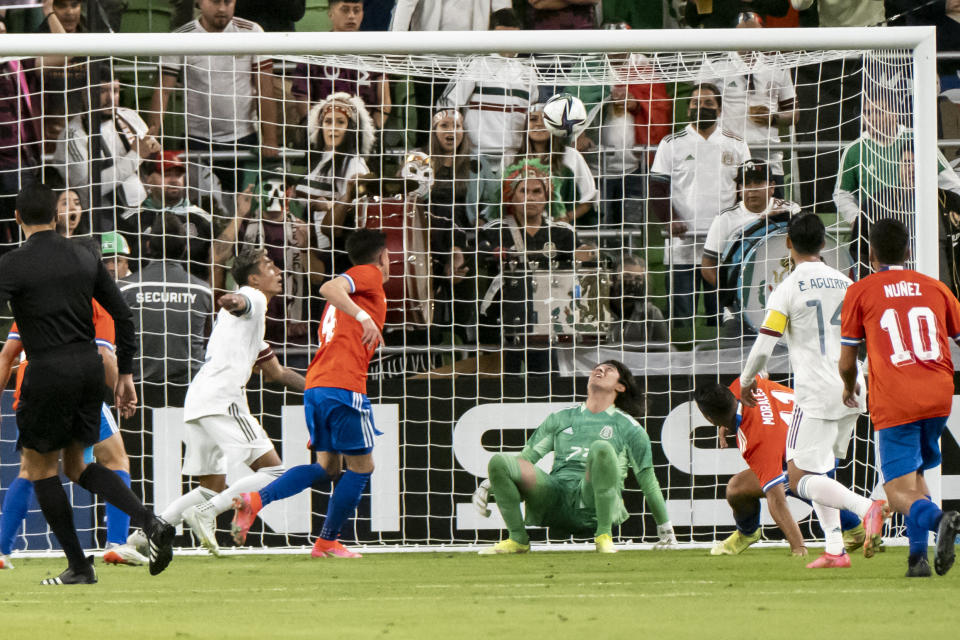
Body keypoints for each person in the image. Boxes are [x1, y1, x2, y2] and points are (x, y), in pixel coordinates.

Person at [0, 183, 173, 583]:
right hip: (88, 372)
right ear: (56, 216)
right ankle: (149, 520)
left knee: (40, 469)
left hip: (46, 371)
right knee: (79, 465)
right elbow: (123, 317)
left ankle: (79, 566)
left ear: (17, 219)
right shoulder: (84, 256)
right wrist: (125, 374)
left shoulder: (13, 263)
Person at [738, 213, 887, 569]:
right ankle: (835, 547)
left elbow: (763, 347)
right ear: (824, 244)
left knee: (797, 478)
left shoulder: (787, 289)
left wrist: (746, 383)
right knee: (819, 472)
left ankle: (866, 508)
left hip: (816, 393)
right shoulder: (848, 284)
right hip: (852, 386)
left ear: (788, 243)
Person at [230, 229, 389, 558]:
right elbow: (328, 286)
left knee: (327, 468)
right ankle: (327, 541)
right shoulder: (368, 275)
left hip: (318, 385)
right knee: (362, 467)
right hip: (343, 385)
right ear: (383, 257)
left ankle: (255, 501)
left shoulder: (351, 299)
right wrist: (364, 318)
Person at [139, 247, 305, 556]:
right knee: (274, 472)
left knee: (209, 486)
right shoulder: (254, 297)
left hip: (200, 399)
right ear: (253, 278)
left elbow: (277, 372)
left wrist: (315, 391)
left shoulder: (243, 330)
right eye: (269, 266)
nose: (278, 271)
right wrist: (235, 300)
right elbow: (242, 303)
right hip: (224, 397)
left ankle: (145, 535)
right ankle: (209, 512)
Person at [839, 218, 960, 578]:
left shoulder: (861, 291)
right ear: (908, 251)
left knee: (895, 494)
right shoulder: (934, 287)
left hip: (897, 398)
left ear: (871, 253)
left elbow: (847, 361)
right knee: (916, 477)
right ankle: (917, 559)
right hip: (939, 394)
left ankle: (943, 521)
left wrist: (849, 386)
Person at [471, 361, 676, 554]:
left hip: (592, 501)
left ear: (621, 387)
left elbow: (648, 480)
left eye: (609, 369)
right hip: (555, 496)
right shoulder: (561, 418)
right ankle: (518, 539)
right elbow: (525, 460)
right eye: (598, 368)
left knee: (601, 448)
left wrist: (665, 528)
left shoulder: (629, 428)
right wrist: (491, 483)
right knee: (499, 461)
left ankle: (604, 535)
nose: (600, 370)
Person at [696, 376, 866, 557]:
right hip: (826, 432)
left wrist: (798, 547)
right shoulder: (743, 383)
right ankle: (747, 534)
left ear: (709, 419)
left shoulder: (757, 442)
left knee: (796, 481)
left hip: (814, 452)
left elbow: (777, 499)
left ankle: (854, 527)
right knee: (737, 488)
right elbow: (763, 374)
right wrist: (727, 424)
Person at [150, 0, 279, 209]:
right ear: (199, 2)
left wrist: (271, 138)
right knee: (199, 210)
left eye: (228, 2)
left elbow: (266, 88)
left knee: (242, 210)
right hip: (197, 140)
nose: (222, 8)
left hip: (243, 137)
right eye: (215, 1)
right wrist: (152, 138)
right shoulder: (180, 38)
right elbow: (163, 91)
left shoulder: (252, 33)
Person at [649, 83, 750, 329]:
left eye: (707, 104)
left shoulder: (736, 144)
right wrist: (669, 219)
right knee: (681, 318)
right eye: (695, 103)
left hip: (723, 246)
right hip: (682, 244)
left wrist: (735, 224)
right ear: (687, 109)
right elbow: (657, 189)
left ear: (719, 109)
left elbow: (745, 190)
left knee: (721, 314)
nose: (700, 107)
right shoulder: (671, 144)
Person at [834, 91, 960, 277]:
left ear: (895, 113)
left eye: (878, 111)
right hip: (879, 234)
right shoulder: (855, 150)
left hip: (918, 228)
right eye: (867, 112)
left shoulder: (917, 141)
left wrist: (945, 216)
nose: (871, 118)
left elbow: (951, 184)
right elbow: (841, 193)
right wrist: (856, 218)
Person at [698, 14, 798, 193]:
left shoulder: (777, 64)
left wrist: (773, 118)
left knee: (774, 217)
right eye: (743, 33)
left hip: (769, 157)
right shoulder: (715, 64)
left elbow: (794, 113)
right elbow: (699, 107)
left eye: (754, 32)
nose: (749, 38)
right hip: (727, 156)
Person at [700, 159, 798, 335]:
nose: (752, 189)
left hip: (786, 303)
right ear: (739, 189)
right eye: (746, 183)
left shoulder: (790, 210)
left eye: (759, 182)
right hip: (738, 310)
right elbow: (707, 266)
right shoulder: (725, 219)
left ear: (772, 186)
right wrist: (734, 292)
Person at [119, 213, 214, 386]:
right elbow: (211, 340)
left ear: (148, 246)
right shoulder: (203, 291)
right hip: (191, 389)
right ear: (185, 248)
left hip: (138, 390)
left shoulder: (124, 288)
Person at [53, 79, 158, 232]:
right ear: (85, 94)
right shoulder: (73, 135)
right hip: (104, 216)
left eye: (115, 91)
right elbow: (88, 190)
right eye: (102, 91)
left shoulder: (130, 117)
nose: (110, 99)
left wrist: (153, 154)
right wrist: (135, 156)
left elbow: (150, 157)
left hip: (144, 207)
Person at [289, 0, 391, 130]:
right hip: (323, 132)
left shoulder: (374, 51)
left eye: (356, 10)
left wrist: (372, 131)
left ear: (363, 13)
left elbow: (385, 101)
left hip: (365, 133)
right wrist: (317, 132)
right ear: (330, 13)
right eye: (345, 9)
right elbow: (302, 96)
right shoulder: (314, 50)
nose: (351, 16)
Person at [607, 255, 668, 345]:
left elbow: (664, 351)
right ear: (613, 279)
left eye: (638, 278)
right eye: (626, 276)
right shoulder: (598, 311)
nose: (632, 282)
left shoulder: (652, 314)